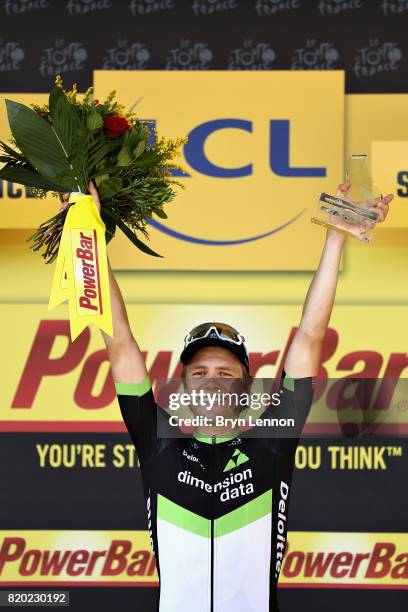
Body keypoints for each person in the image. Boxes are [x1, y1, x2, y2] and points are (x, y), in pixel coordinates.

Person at [62, 181, 392, 612]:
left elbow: (311, 335)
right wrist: (87, 239)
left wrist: (335, 236)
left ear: (246, 384)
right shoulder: (158, 441)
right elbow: (119, 341)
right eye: (198, 372)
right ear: (181, 388)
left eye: (225, 372)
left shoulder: (272, 442)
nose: (211, 381)